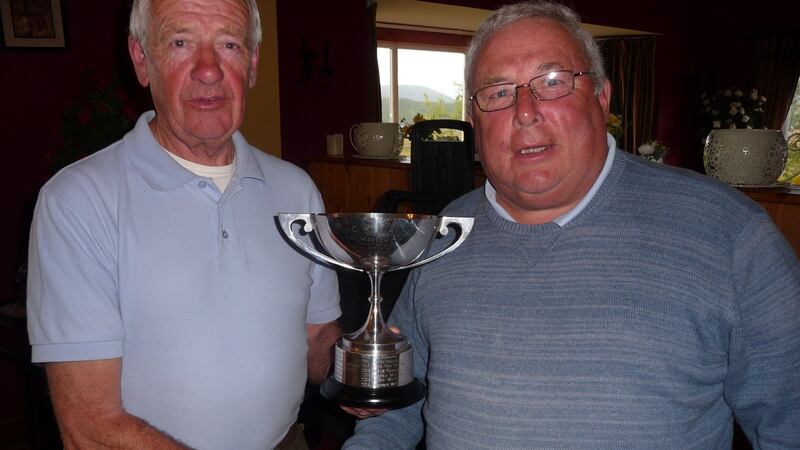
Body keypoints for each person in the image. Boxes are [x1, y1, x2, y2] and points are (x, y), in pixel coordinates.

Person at [343, 1, 800, 448]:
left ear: (601, 97)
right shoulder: (444, 235)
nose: (524, 111)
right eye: (498, 92)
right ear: (474, 122)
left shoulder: (729, 232)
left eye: (553, 82)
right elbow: (398, 406)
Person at [26, 0, 341, 448]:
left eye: (229, 44)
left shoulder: (297, 191)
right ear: (141, 59)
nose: (208, 70)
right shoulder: (78, 201)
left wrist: (361, 370)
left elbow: (317, 335)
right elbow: (89, 425)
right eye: (180, 42)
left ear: (252, 64)